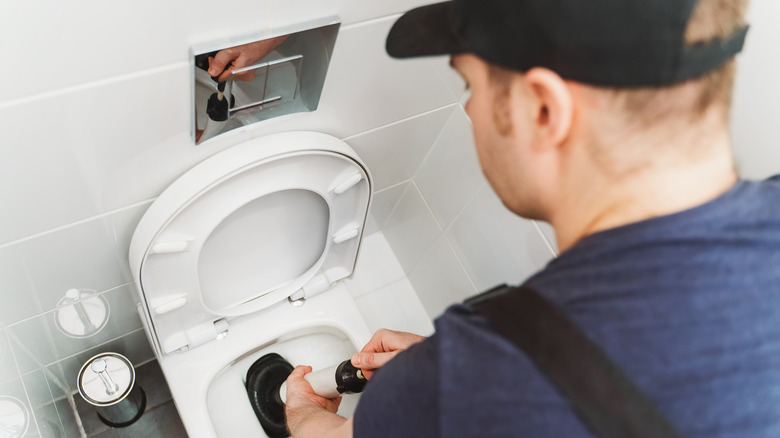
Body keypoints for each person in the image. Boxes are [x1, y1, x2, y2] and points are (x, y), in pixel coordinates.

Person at [284, 0, 780, 436]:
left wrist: (303, 410)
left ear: (543, 110)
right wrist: (455, 377)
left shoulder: (472, 389)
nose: (469, 110)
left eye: (469, 85)